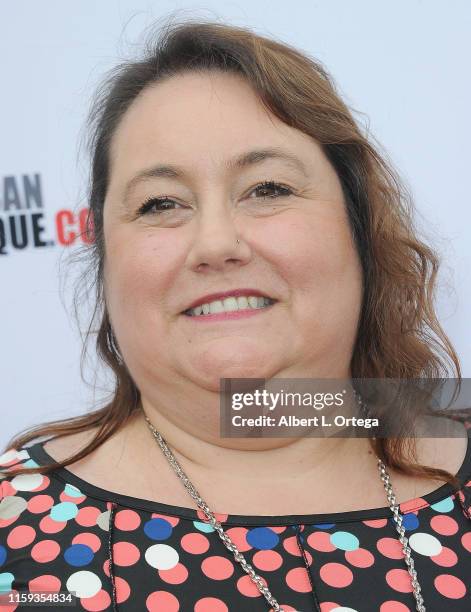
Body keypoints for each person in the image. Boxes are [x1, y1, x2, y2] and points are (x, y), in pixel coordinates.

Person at [1, 18, 470, 612]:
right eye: (161, 203)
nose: (216, 243)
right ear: (106, 265)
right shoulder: (14, 534)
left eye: (267, 189)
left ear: (359, 231)